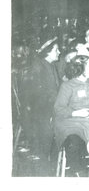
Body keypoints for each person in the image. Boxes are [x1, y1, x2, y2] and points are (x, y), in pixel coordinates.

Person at [53, 55, 89, 176]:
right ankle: (79, 174)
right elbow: (58, 109)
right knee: (74, 143)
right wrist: (76, 113)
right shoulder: (67, 86)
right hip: (70, 122)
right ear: (80, 69)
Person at [24, 37, 60, 175]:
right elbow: (38, 94)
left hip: (47, 105)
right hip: (40, 110)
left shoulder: (50, 65)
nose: (59, 52)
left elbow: (54, 90)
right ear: (48, 52)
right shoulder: (39, 66)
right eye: (56, 50)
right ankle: (45, 161)